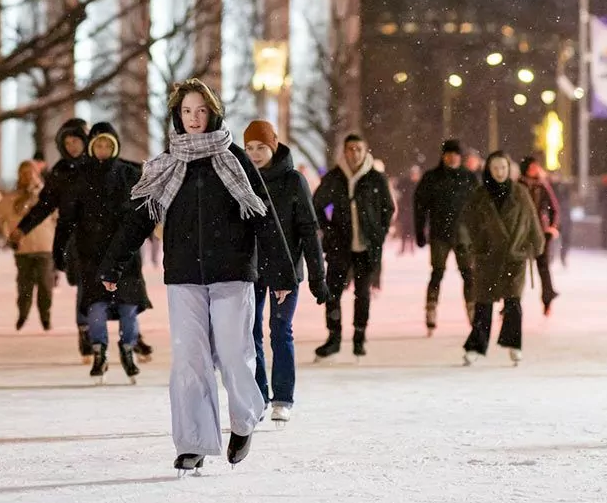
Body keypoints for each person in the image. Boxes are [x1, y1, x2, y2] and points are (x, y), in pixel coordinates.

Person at [97, 79, 299, 476]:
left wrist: (282, 274)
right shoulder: (169, 163)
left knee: (233, 355)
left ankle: (244, 419)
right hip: (184, 275)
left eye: (201, 111)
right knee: (189, 360)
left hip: (231, 274)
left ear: (213, 114)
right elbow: (139, 217)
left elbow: (263, 217)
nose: (193, 118)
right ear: (177, 114)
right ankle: (192, 443)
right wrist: (112, 263)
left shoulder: (235, 161)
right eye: (187, 111)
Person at [244, 119, 328, 425]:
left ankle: (282, 397)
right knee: (250, 333)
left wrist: (318, 276)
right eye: (250, 148)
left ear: (274, 145)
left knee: (280, 331)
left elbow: (308, 229)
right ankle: (257, 396)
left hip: (287, 270)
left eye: (261, 147)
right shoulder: (243, 180)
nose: (255, 154)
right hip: (251, 271)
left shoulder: (293, 181)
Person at [67, 122, 151, 384]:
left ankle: (128, 348)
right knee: (96, 306)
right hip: (92, 254)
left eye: (107, 145)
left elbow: (144, 209)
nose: (102, 150)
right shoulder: (81, 176)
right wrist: (65, 251)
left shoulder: (129, 173)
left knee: (128, 306)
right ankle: (98, 351)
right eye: (98, 145)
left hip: (124, 254)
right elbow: (69, 217)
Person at [14, 118, 93, 359]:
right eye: (67, 142)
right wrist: (23, 228)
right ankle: (86, 333)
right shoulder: (60, 171)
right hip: (76, 241)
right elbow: (45, 205)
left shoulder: (100, 165)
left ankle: (131, 335)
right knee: (85, 287)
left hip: (105, 237)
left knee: (116, 289)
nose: (72, 146)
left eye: (76, 141)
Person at [313, 133, 395, 358]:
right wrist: (329, 232)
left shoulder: (376, 178)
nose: (355, 153)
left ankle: (359, 337)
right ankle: (334, 337)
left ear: (365, 151)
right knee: (333, 293)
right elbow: (316, 205)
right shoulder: (334, 178)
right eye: (350, 149)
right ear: (345, 151)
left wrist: (379, 233)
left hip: (367, 248)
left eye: (359, 149)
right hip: (340, 246)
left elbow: (388, 208)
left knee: (363, 294)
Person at [459, 151, 545, 365]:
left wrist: (537, 243)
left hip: (514, 256)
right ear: (489, 169)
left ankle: (514, 343)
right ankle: (476, 346)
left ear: (509, 169)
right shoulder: (479, 195)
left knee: (513, 302)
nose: (499, 172)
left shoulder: (520, 193)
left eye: (503, 168)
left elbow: (531, 220)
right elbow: (466, 223)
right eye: (495, 168)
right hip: (487, 257)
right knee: (483, 304)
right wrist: (468, 245)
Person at [413, 138, 479, 333]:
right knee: (437, 272)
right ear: (443, 156)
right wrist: (420, 230)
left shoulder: (469, 178)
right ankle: (431, 309)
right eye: (449, 154)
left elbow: (480, 207)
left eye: (456, 154)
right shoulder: (432, 178)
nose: (452, 158)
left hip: (464, 235)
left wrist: (480, 231)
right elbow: (420, 206)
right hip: (440, 233)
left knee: (468, 274)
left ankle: (472, 309)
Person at [0, 160, 56, 330]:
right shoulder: (11, 198)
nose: (27, 176)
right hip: (23, 249)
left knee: (46, 286)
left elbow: (59, 218)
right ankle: (23, 315)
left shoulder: (47, 196)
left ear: (36, 174)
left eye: (30, 172)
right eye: (23, 173)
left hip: (45, 247)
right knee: (25, 286)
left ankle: (45, 317)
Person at [521, 160, 560, 314]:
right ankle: (510, 303)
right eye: (531, 167)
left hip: (540, 232)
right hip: (521, 232)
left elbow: (554, 208)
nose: (534, 170)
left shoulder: (542, 186)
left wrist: (552, 227)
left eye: (536, 167)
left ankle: (547, 299)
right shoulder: (518, 186)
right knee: (516, 268)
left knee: (543, 267)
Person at [393, 165, 421, 254]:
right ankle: (403, 248)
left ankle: (412, 248)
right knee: (404, 230)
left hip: (414, 211)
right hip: (405, 210)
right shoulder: (406, 183)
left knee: (412, 230)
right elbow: (398, 189)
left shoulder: (419, 185)